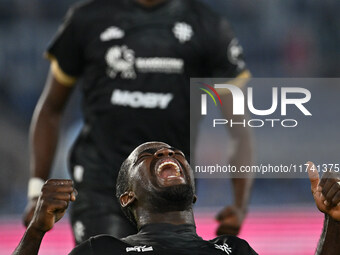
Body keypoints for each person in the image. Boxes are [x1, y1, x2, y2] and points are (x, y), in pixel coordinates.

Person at [23, 0, 253, 243]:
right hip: (99, 184)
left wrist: (240, 205)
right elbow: (50, 109)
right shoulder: (86, 19)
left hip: (168, 190)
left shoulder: (208, 25)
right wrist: (35, 191)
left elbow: (239, 127)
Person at [14, 142, 340, 255]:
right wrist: (36, 231)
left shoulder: (232, 250)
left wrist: (334, 220)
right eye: (149, 154)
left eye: (174, 152)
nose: (167, 153)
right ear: (127, 196)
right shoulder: (102, 250)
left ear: (193, 193)